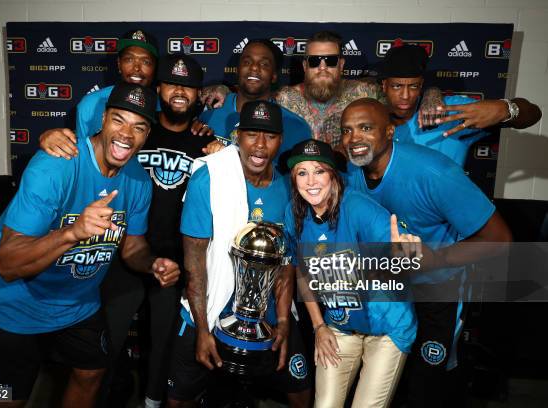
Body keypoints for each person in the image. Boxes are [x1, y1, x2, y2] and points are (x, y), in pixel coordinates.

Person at [0, 83, 180, 407]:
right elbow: (8, 264)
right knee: (8, 400)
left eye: (139, 127)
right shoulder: (55, 166)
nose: (127, 134)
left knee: (91, 373)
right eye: (118, 120)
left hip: (77, 303)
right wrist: (72, 232)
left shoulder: (138, 180)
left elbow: (132, 247)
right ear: (102, 120)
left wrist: (152, 263)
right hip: (13, 304)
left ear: (147, 135)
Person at [339, 98, 512, 408]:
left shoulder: (434, 173)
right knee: (384, 388)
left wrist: (436, 259)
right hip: (386, 292)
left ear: (390, 131)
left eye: (366, 128)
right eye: (347, 131)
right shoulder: (348, 174)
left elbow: (500, 238)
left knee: (425, 389)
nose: (355, 138)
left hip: (436, 291)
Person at [168, 100, 311, 408]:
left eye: (270, 136)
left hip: (271, 310)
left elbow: (286, 263)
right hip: (211, 306)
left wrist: (284, 321)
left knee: (302, 395)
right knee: (179, 401)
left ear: (281, 140)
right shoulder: (210, 179)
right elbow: (195, 265)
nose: (260, 146)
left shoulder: (289, 188)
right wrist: (203, 329)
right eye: (252, 135)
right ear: (238, 136)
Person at [284, 139, 419, 408]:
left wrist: (403, 259)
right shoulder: (294, 212)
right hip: (340, 326)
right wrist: (318, 326)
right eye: (302, 173)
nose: (311, 181)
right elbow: (302, 270)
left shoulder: (360, 210)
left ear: (333, 174)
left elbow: (402, 264)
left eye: (319, 171)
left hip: (385, 328)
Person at [136, 53, 216, 407]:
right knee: (104, 338)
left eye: (188, 86)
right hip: (126, 250)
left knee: (164, 339)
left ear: (199, 94)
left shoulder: (206, 144)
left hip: (172, 263)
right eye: (172, 83)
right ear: (158, 89)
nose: (179, 91)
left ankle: (153, 400)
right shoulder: (137, 130)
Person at [40, 29, 214, 159]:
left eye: (145, 61)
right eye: (129, 59)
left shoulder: (165, 102)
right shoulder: (91, 103)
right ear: (118, 63)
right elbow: (79, 153)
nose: (136, 68)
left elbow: (180, 124)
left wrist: (197, 125)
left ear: (155, 67)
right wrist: (49, 138)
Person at [273, 31, 444, 149]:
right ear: (305, 66)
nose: (322, 67)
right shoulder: (285, 99)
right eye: (315, 61)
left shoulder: (364, 92)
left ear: (341, 65)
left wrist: (431, 94)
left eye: (331, 61)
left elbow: (403, 98)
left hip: (350, 185)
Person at [381, 44, 542, 166]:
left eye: (413, 86)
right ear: (384, 85)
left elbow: (533, 114)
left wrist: (506, 108)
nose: (405, 95)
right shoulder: (372, 116)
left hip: (443, 208)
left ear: (421, 85)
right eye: (397, 86)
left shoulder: (452, 111)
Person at [200, 39, 311, 169]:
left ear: (274, 75)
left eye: (264, 64)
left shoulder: (295, 126)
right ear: (237, 69)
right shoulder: (208, 117)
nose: (254, 67)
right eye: (247, 62)